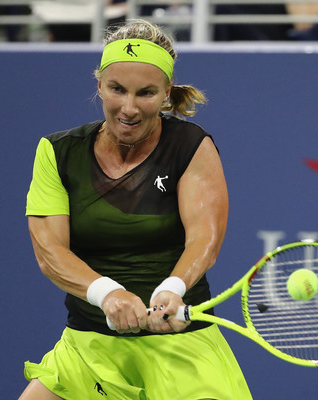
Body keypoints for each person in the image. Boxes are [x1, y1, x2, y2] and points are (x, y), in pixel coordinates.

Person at [19, 19, 252, 400]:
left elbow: (204, 239)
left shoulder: (191, 146)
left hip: (180, 349)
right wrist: (107, 293)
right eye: (117, 89)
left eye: (145, 93)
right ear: (99, 86)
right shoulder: (58, 152)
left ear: (166, 94)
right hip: (87, 349)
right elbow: (50, 253)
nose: (128, 108)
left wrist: (172, 289)